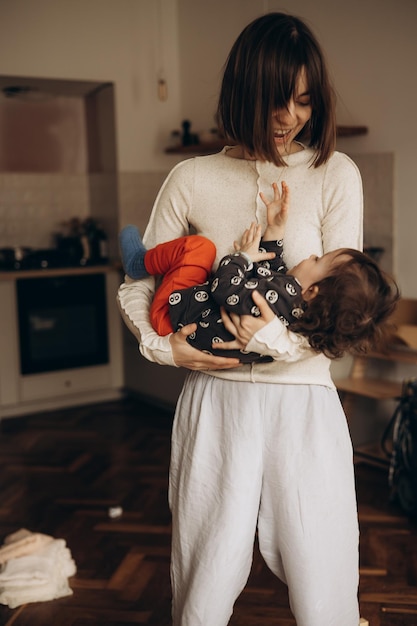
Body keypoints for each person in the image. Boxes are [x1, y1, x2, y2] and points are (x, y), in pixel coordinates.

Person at [118, 12, 368, 626]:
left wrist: (275, 338)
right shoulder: (191, 178)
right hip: (214, 404)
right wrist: (164, 350)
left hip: (304, 408)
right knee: (201, 594)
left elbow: (343, 307)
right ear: (242, 94)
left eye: (305, 103)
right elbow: (138, 283)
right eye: (276, 101)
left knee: (325, 594)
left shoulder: (336, 175)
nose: (290, 118)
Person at [119, 181, 399, 364]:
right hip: (184, 325)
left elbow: (224, 288)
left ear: (311, 290)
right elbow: (271, 275)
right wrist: (274, 232)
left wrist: (241, 258)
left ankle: (139, 263)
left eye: (316, 258)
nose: (310, 256)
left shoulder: (280, 300)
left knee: (199, 249)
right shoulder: (293, 312)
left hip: (172, 313)